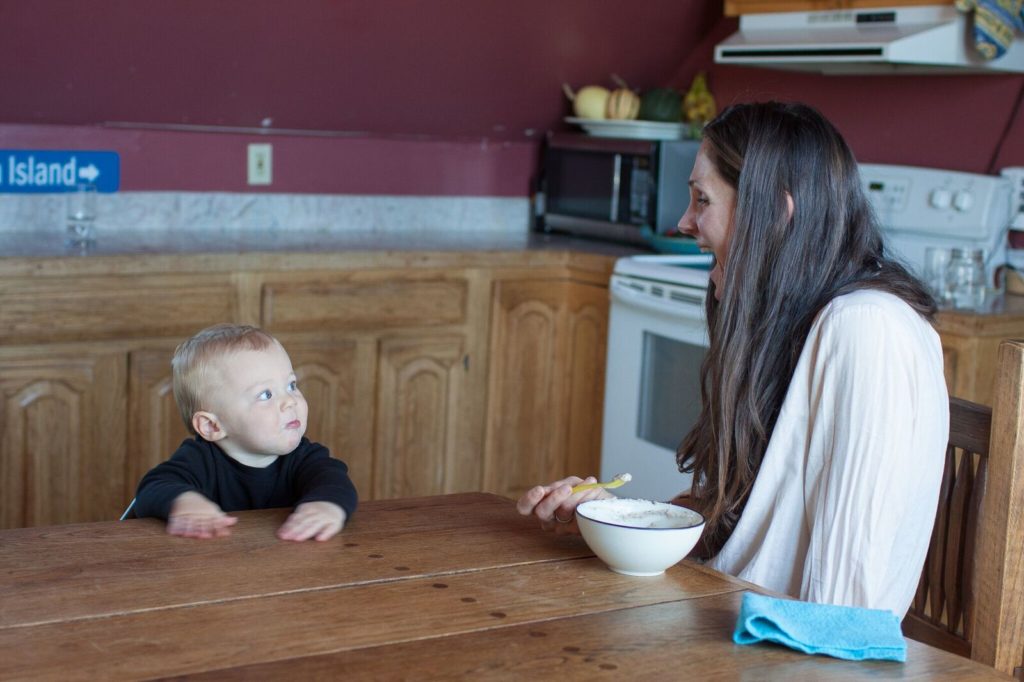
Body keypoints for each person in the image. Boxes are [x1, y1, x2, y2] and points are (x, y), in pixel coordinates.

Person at [517, 101, 948, 617]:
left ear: (776, 215)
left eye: (702, 199)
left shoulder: (868, 327)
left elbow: (845, 609)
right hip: (728, 618)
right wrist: (617, 519)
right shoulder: (804, 322)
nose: (683, 221)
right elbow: (744, 521)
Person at [132, 323, 358, 542]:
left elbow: (334, 481)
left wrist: (326, 505)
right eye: (266, 395)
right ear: (212, 426)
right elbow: (154, 487)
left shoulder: (305, 457)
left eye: (291, 385)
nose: (290, 401)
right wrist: (185, 503)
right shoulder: (199, 460)